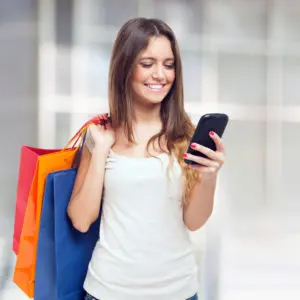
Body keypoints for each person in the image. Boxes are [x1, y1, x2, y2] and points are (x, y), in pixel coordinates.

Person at [67, 17, 226, 300]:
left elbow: (193, 221)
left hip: (179, 291)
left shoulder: (184, 136)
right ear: (126, 67)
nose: (160, 75)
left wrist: (209, 176)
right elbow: (80, 220)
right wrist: (102, 150)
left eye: (168, 64)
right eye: (147, 63)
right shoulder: (100, 134)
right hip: (108, 291)